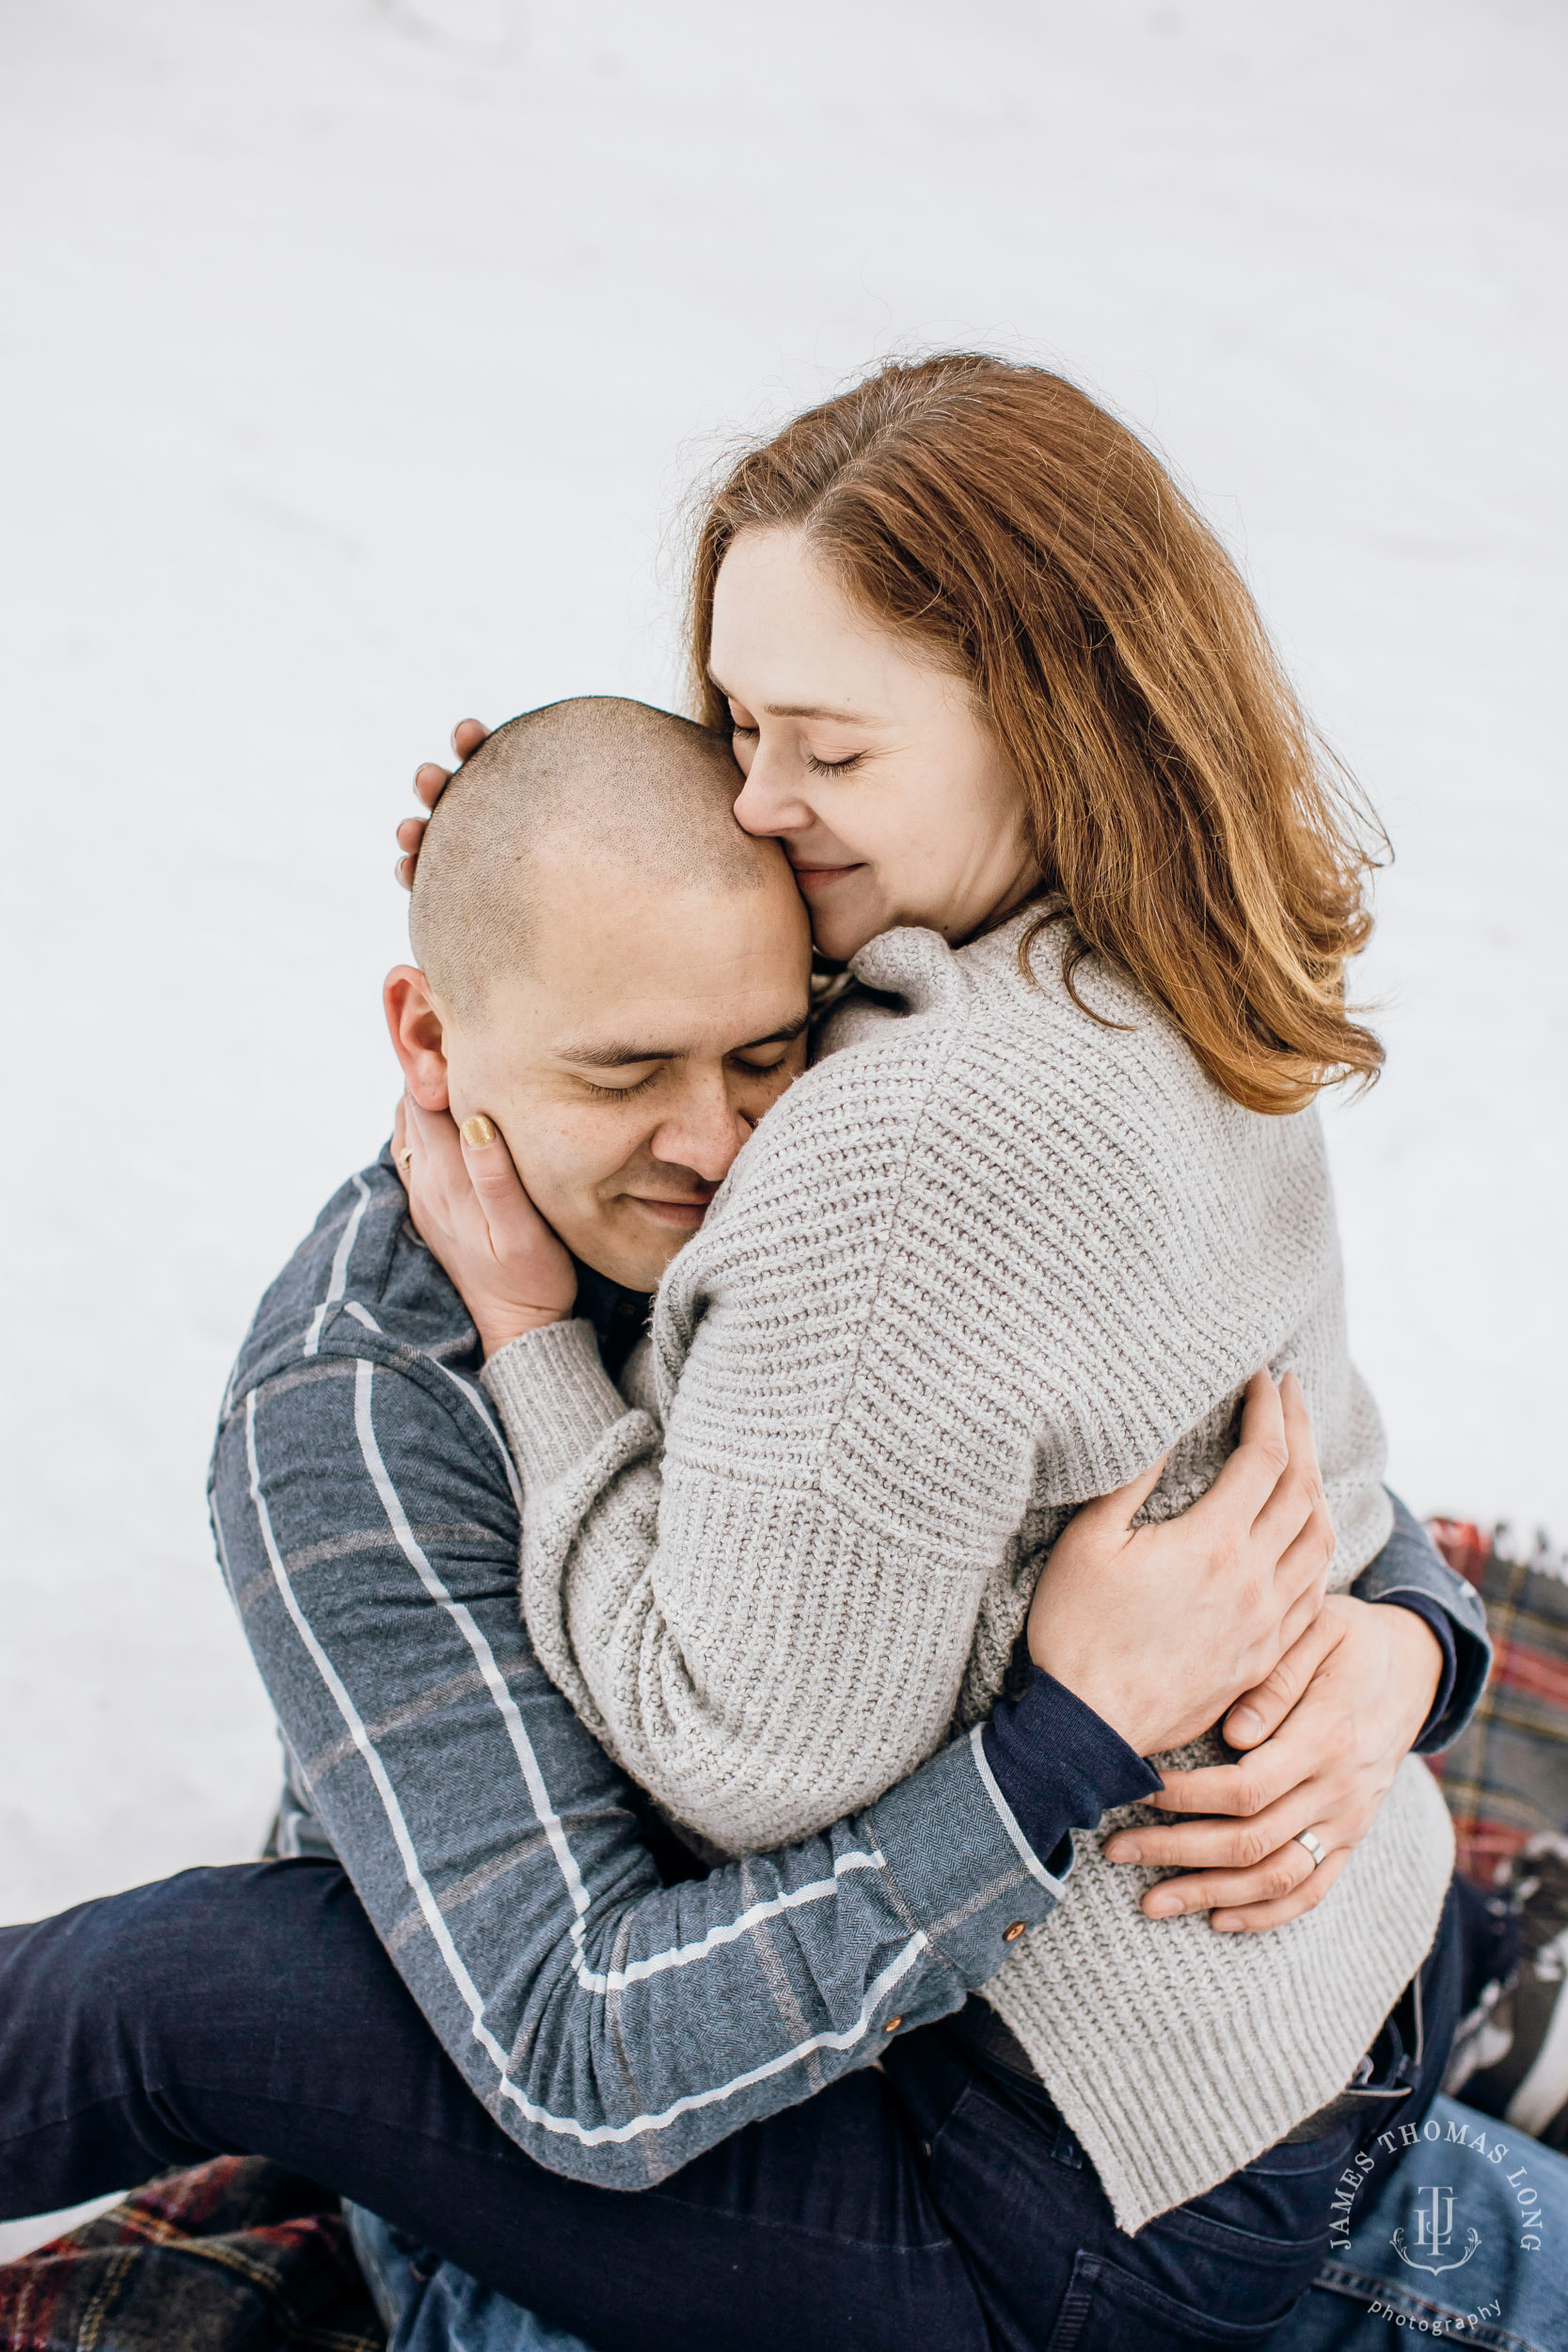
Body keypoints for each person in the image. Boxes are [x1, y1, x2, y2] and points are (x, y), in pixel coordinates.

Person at [0, 695, 1485, 2352]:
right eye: (621, 1075)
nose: (714, 1147)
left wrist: (1404, 1639)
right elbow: (578, 2047)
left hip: (1045, 2044)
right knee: (199, 1984)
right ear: (431, 1042)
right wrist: (1067, 1741)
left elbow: (1186, 1390)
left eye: (758, 1056)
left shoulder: (864, 1106)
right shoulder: (359, 1417)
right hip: (677, 2109)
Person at [399, 356, 1481, 2282]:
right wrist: (550, 882)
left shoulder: (910, 1142)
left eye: (824, 745)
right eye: (734, 723)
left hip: (1118, 2167)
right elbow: (1341, 1445)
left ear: (1047, 720)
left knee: (214, 1996)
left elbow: (736, 1753)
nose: (752, 798)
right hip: (1367, 1947)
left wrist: (532, 1344)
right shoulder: (1180, 945)